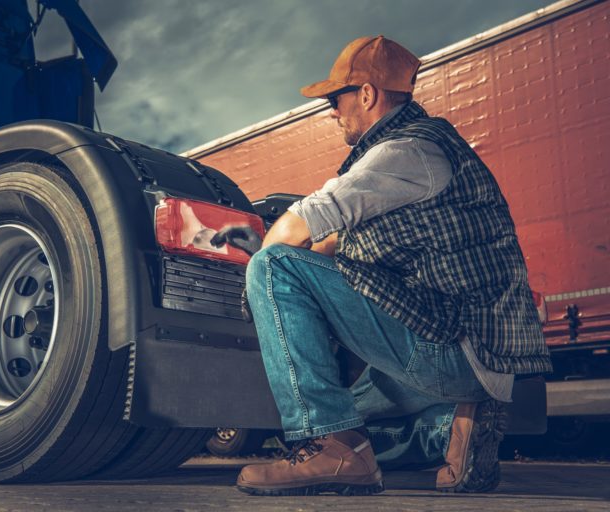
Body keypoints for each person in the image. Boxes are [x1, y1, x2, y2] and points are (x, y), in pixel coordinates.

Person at [211, 35, 551, 497]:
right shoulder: (429, 150)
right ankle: (450, 426)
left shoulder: (403, 152)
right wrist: (263, 251)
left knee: (276, 271)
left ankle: (330, 447)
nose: (331, 110)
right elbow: (328, 248)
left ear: (367, 94)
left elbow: (299, 227)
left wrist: (263, 269)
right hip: (477, 359)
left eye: (336, 98)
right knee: (356, 411)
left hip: (451, 349)